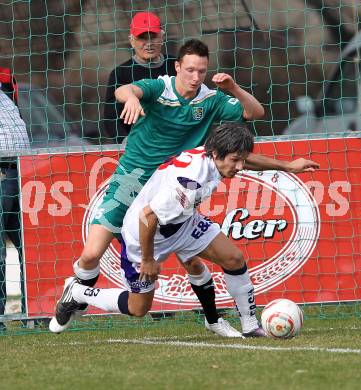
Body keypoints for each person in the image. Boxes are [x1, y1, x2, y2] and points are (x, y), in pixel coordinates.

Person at [50, 38, 265, 337]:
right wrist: (132, 99)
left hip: (169, 185)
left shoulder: (211, 100)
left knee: (193, 257)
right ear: (177, 67)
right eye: (189, 69)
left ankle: (215, 319)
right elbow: (123, 90)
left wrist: (234, 88)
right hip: (131, 181)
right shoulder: (160, 88)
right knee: (90, 255)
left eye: (201, 71)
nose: (195, 76)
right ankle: (75, 297)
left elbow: (255, 113)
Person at [49, 123, 319, 336]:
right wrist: (148, 259)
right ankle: (78, 292)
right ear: (216, 154)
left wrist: (287, 166)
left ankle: (250, 325)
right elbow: (147, 217)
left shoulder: (215, 155)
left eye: (240, 160)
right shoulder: (187, 182)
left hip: (182, 223)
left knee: (234, 258)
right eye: (235, 161)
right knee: (138, 308)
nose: (239, 167)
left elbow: (247, 159)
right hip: (144, 235)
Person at [103, 11, 176, 143]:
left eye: (153, 37)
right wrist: (125, 142)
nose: (148, 43)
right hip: (140, 147)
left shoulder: (177, 65)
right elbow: (111, 117)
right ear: (131, 41)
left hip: (177, 142)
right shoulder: (121, 73)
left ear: (162, 37)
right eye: (142, 38)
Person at [0, 68, 30, 331]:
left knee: (29, 246)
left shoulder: (5, 80)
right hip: (2, 169)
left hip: (21, 171)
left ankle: (33, 310)